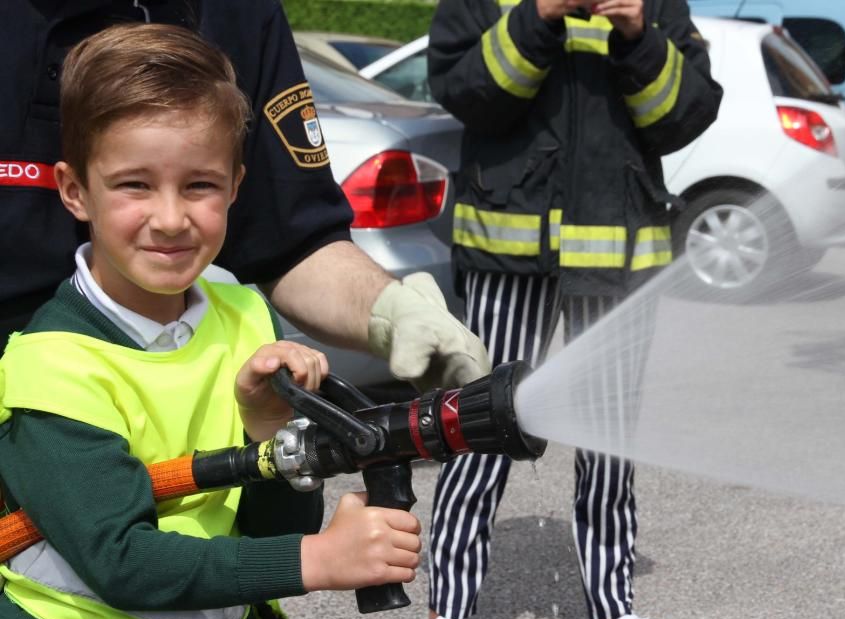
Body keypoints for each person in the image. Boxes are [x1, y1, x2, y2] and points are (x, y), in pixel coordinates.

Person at [0, 23, 423, 619]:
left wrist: (269, 436)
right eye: (134, 185)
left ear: (235, 186)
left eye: (198, 185)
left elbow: (276, 526)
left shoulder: (246, 315)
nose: (171, 218)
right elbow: (122, 563)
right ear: (74, 191)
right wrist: (318, 561)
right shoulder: (48, 364)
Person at [421, 0, 723, 619]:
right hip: (510, 252)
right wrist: (542, 14)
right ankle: (448, 616)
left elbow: (687, 114)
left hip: (616, 255)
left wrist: (640, 34)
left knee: (609, 442)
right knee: (478, 430)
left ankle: (613, 618)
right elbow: (464, 93)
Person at [2, 0, 489, 392]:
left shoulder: (239, 13)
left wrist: (390, 312)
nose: (170, 219)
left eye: (198, 185)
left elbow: (294, 237)